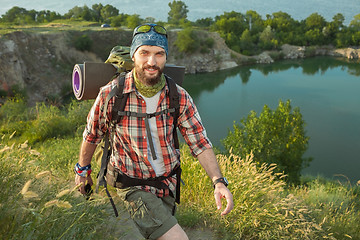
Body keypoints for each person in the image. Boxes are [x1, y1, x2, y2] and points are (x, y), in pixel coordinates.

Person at [74, 23, 234, 240]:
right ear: (134, 55)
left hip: (167, 184)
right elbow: (92, 134)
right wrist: (83, 171)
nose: (152, 61)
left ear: (166, 57)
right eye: (144, 53)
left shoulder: (178, 96)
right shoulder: (112, 94)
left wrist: (218, 181)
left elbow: (199, 142)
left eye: (159, 54)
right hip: (132, 185)